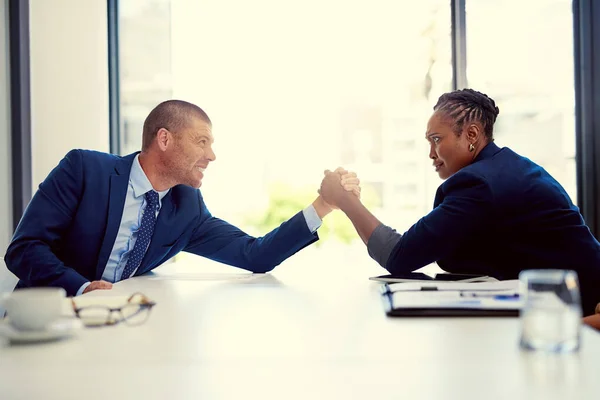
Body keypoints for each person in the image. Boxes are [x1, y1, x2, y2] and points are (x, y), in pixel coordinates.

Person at [5, 100, 360, 296]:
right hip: (44, 321)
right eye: (202, 142)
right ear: (165, 139)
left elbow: (255, 254)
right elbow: (24, 248)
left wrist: (323, 206)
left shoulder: (186, 208)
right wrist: (82, 288)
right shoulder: (85, 169)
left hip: (111, 334)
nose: (212, 156)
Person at [318, 88, 600, 316]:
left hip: (582, 307)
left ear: (472, 135)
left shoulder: (481, 184)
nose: (431, 153)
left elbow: (400, 255)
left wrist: (345, 199)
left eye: (437, 139)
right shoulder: (505, 167)